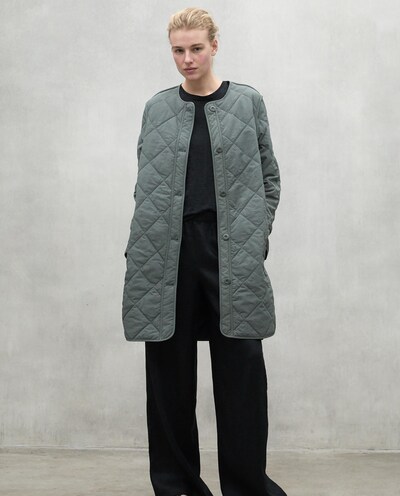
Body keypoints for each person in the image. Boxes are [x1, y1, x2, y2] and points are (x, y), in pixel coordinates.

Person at [122, 7, 287, 496]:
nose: (187, 59)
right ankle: (177, 487)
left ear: (214, 45)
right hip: (164, 254)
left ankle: (246, 486)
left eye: (196, 48)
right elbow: (144, 183)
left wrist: (256, 234)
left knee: (241, 377)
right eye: (178, 50)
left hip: (230, 252)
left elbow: (269, 178)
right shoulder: (156, 108)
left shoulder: (247, 102)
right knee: (168, 377)